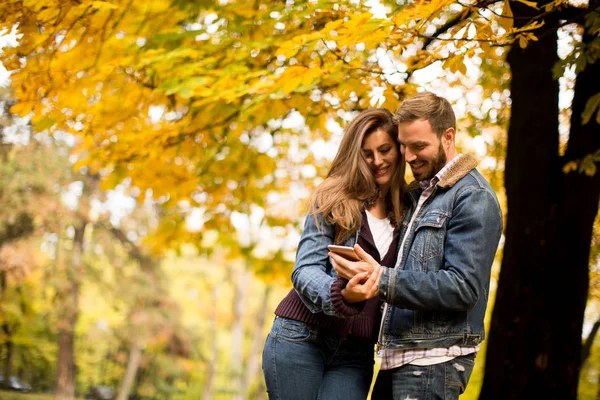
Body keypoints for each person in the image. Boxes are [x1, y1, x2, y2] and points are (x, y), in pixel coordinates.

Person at [330, 92, 503, 400]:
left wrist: (381, 278)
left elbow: (464, 287)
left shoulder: (472, 197)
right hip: (397, 356)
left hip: (434, 362)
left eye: (419, 146)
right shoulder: (420, 196)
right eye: (404, 145)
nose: (408, 156)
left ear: (448, 136)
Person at [262, 108, 406, 400]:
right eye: (367, 153)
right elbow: (304, 270)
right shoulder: (333, 198)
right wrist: (341, 294)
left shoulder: (410, 212)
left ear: (399, 150)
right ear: (355, 155)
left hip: (356, 354)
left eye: (385, 150)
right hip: (302, 336)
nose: (377, 161)